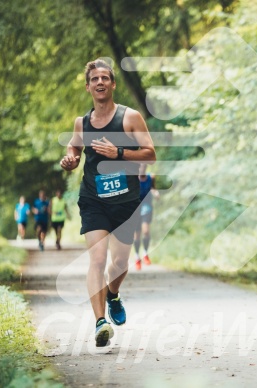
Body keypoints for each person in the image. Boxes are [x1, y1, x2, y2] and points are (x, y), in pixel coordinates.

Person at [60, 59, 156, 347]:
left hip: (125, 200)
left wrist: (119, 152)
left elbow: (150, 154)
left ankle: (113, 294)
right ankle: (100, 322)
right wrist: (71, 159)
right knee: (98, 259)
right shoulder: (82, 123)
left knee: (120, 262)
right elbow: (74, 146)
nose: (100, 82)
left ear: (113, 84)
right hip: (93, 200)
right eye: (94, 79)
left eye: (105, 78)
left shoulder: (130, 117)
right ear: (88, 86)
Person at [133, 163, 160, 270]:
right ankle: (136, 257)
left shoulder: (150, 177)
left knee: (146, 231)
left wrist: (156, 193)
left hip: (146, 208)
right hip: (135, 209)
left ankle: (145, 253)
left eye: (144, 167)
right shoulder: (134, 178)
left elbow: (153, 188)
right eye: (140, 167)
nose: (142, 169)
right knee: (137, 235)